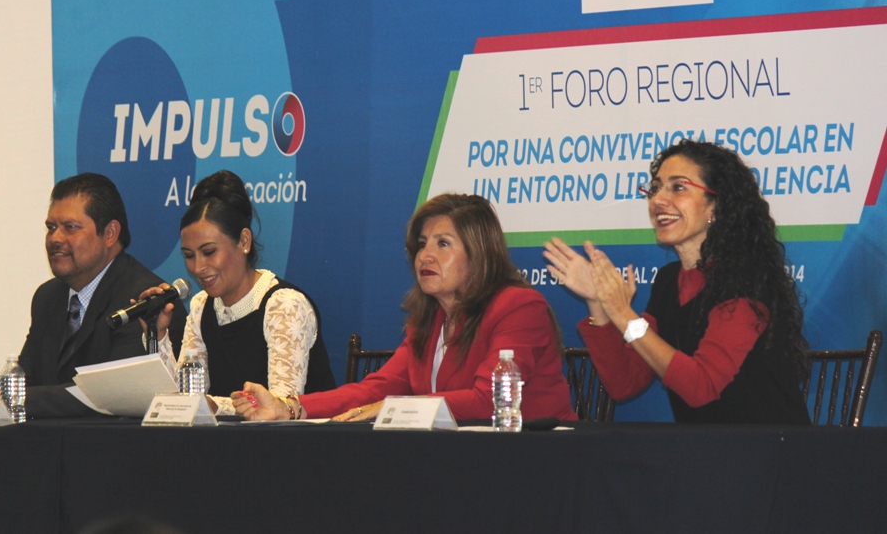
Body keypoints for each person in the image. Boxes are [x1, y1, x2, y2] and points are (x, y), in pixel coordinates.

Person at [233, 193, 576, 422]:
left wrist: (395, 408)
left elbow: (489, 399)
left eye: (443, 244)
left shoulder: (518, 307)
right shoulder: (431, 320)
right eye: (423, 244)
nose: (425, 255)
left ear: (479, 254)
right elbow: (376, 389)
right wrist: (289, 407)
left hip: (539, 463)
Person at [544, 140, 810, 423]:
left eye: (678, 187)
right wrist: (599, 303)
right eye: (656, 188)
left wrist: (622, 312)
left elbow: (701, 386)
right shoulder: (669, 280)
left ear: (715, 205)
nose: (658, 200)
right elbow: (625, 383)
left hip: (768, 445)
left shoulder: (746, 279)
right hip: (702, 446)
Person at [0, 173, 186, 418]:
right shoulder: (48, 296)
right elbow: (29, 376)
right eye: (51, 228)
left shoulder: (145, 301)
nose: (55, 239)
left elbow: (109, 394)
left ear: (110, 233)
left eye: (70, 228)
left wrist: (2, 396)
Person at [141, 170, 335, 416]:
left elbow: (279, 409)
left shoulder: (284, 304)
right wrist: (157, 335)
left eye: (209, 252)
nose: (198, 267)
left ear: (244, 241)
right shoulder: (202, 306)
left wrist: (214, 406)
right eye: (189, 256)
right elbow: (183, 400)